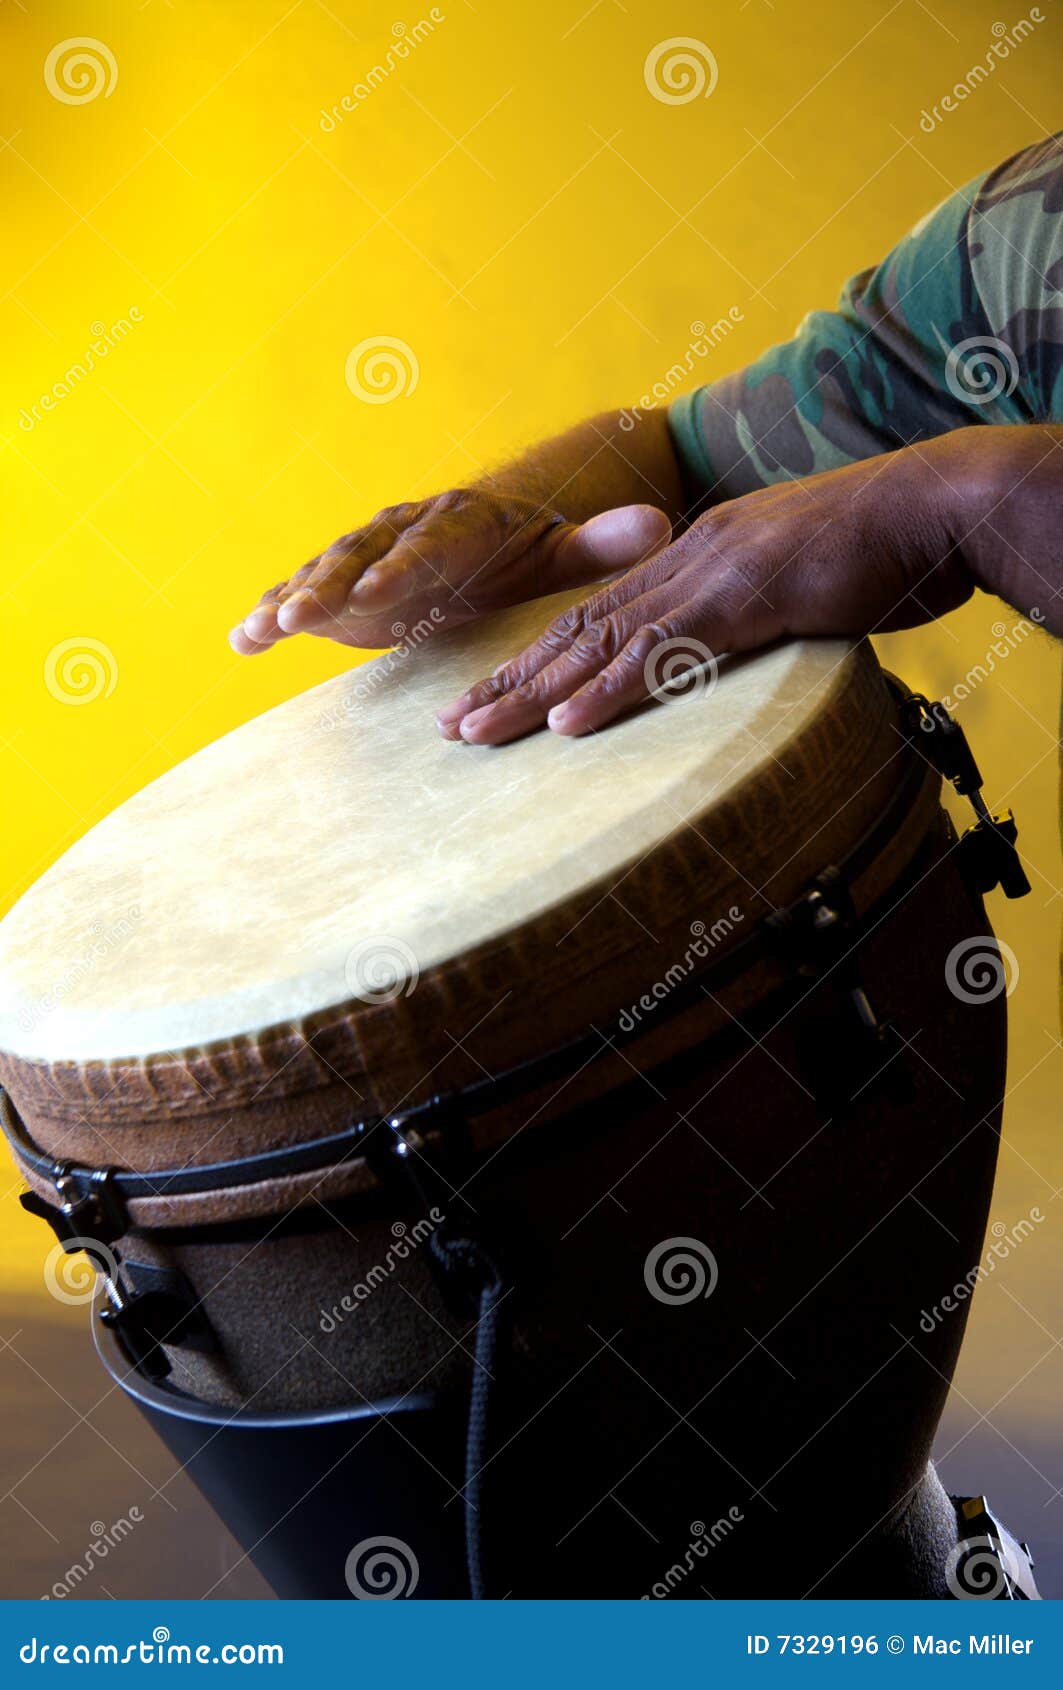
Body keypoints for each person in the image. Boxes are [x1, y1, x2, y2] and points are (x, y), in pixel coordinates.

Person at [230, 134, 1062, 748]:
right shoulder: (1029, 226)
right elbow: (680, 463)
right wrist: (520, 523)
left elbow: (941, 493)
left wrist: (978, 490)